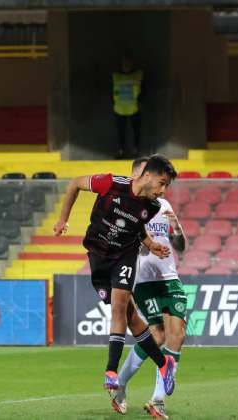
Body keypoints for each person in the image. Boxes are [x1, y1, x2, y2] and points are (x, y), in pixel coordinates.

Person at [52, 154, 178, 406]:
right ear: (148, 175)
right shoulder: (111, 184)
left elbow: (137, 227)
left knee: (120, 306)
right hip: (98, 257)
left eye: (167, 186)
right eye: (162, 183)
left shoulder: (153, 206)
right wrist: (62, 219)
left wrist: (150, 244)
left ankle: (111, 371)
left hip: (125, 256)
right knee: (130, 318)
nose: (163, 190)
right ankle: (164, 364)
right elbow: (75, 183)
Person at [112, 157, 188, 419]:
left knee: (176, 333)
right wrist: (145, 244)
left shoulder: (163, 205)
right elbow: (124, 246)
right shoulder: (128, 207)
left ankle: (157, 400)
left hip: (170, 278)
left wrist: (175, 228)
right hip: (144, 281)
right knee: (157, 334)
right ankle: (121, 384)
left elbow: (180, 247)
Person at [112, 54, 143, 159]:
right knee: (121, 132)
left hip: (134, 108)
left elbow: (143, 89)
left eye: (128, 64)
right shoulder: (116, 76)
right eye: (125, 64)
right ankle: (121, 151)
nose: (126, 66)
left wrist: (140, 101)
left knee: (136, 131)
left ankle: (136, 151)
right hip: (119, 109)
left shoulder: (137, 75)